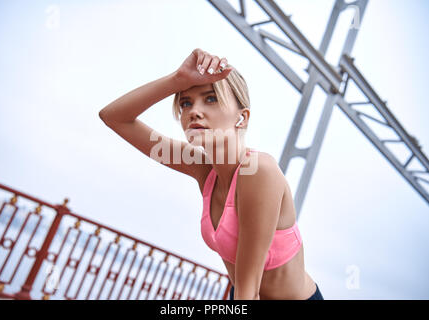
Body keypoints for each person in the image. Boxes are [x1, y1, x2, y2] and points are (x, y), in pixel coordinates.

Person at [99, 48, 323, 300]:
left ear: (242, 117)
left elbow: (250, 289)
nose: (194, 111)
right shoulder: (203, 169)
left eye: (211, 98)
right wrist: (178, 79)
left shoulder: (259, 171)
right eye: (186, 102)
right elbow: (114, 117)